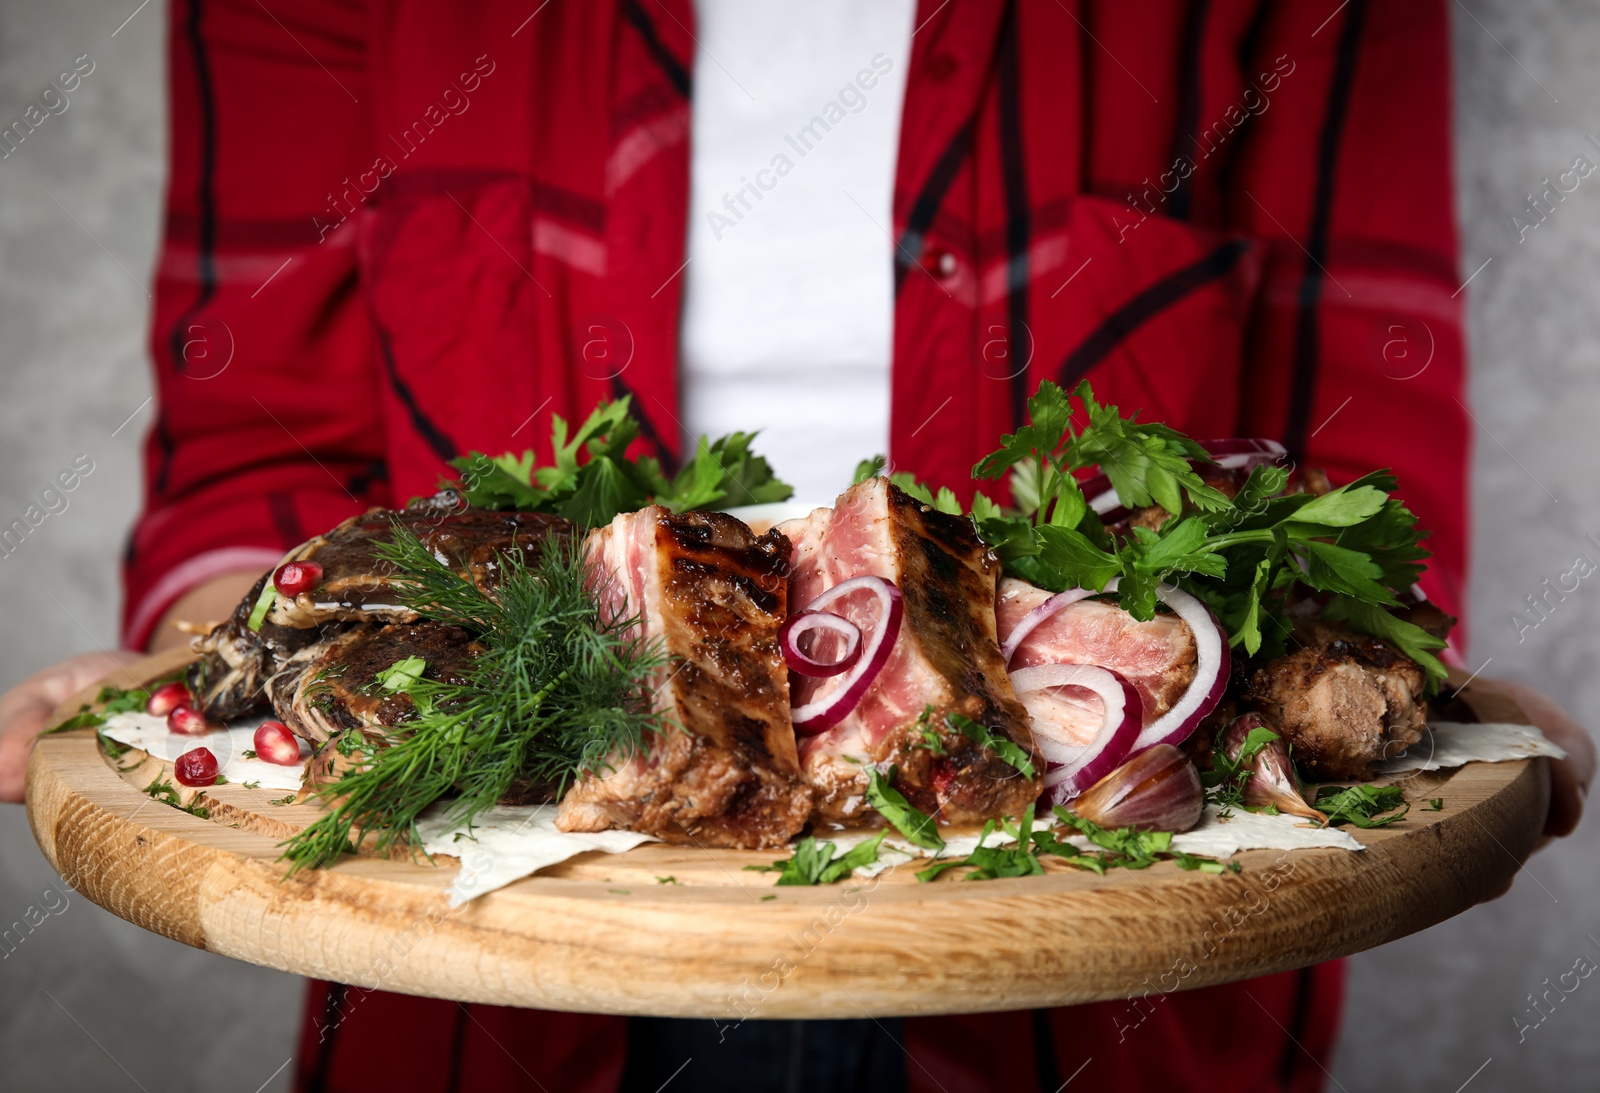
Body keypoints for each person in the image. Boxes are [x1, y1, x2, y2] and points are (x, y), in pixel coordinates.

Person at [1, 1, 1592, 1090]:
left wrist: (1382, 677)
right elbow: (254, 443)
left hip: (1097, 986)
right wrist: (232, 664)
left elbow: (1356, 428)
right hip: (492, 975)